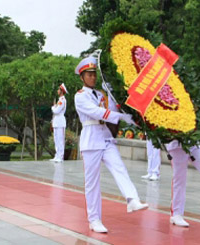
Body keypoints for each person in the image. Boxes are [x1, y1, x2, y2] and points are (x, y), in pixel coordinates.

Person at [74, 56, 148, 233]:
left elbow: (111, 110)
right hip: (91, 140)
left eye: (94, 74)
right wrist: (121, 117)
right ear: (82, 77)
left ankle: (132, 199)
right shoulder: (80, 96)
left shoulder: (101, 94)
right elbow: (97, 113)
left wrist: (118, 100)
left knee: (119, 167)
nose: (93, 77)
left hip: (105, 138)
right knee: (92, 183)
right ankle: (94, 219)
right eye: (89, 74)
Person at [50, 83, 68, 162]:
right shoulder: (59, 100)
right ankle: (57, 155)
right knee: (56, 139)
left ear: (61, 91)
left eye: (58, 89)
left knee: (60, 139)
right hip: (56, 121)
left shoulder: (62, 100)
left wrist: (53, 107)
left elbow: (57, 111)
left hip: (60, 121)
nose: (57, 91)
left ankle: (60, 156)